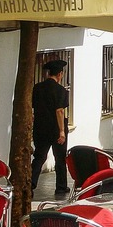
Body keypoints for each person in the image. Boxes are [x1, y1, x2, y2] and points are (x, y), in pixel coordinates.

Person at [31, 59, 70, 198]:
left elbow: (32, 108)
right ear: (60, 74)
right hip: (55, 130)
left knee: (39, 157)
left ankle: (30, 184)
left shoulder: (37, 88)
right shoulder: (61, 91)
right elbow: (59, 111)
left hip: (40, 128)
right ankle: (61, 187)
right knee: (60, 158)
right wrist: (61, 131)